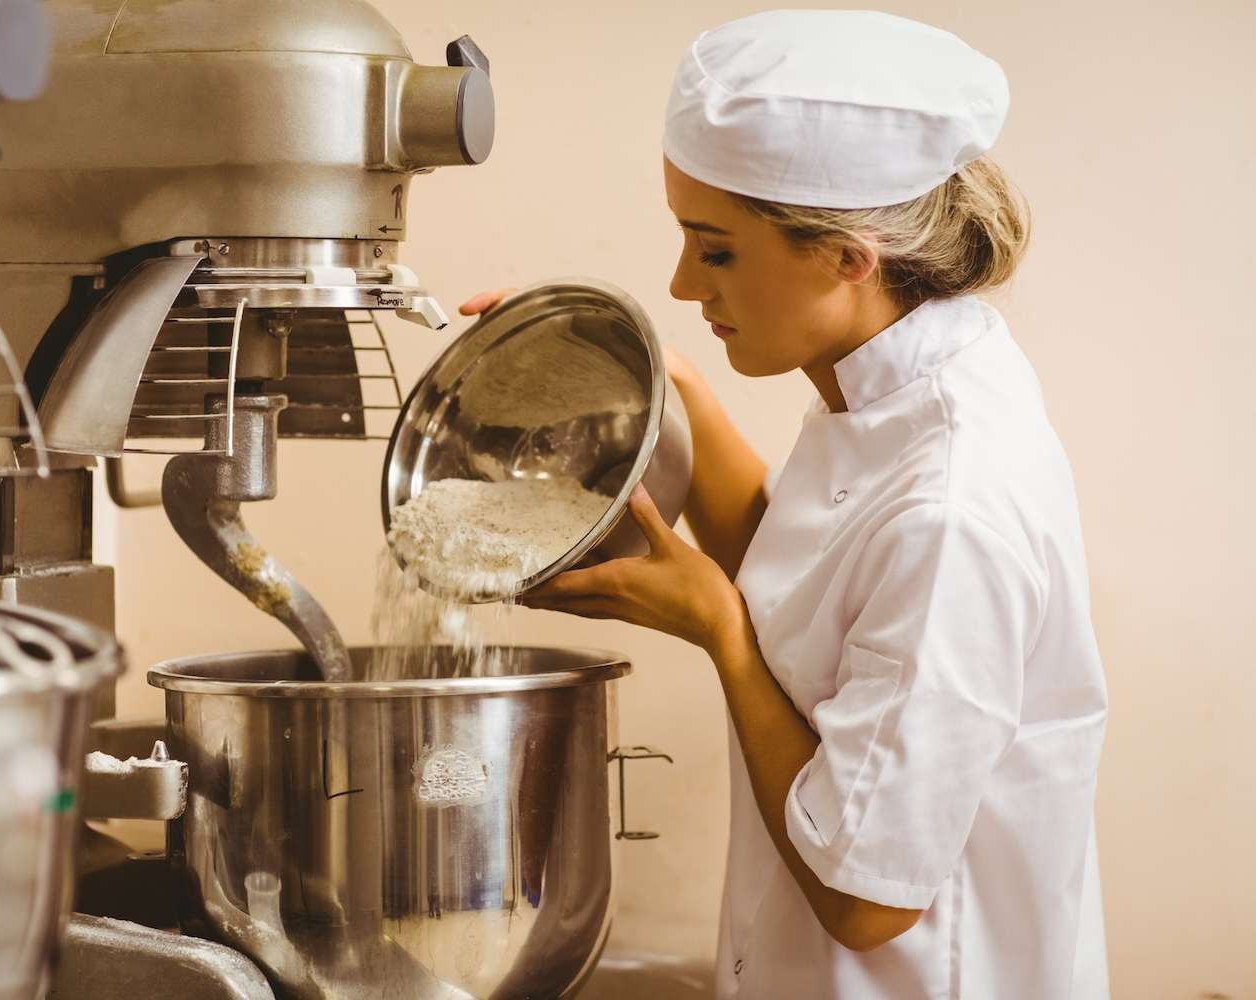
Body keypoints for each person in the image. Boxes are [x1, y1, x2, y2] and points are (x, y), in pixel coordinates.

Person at [461, 10, 1108, 999]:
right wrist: (657, 380)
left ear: (847, 255)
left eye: (715, 250)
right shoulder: (889, 375)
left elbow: (867, 898)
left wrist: (715, 626)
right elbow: (815, 588)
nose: (683, 283)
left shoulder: (953, 507)